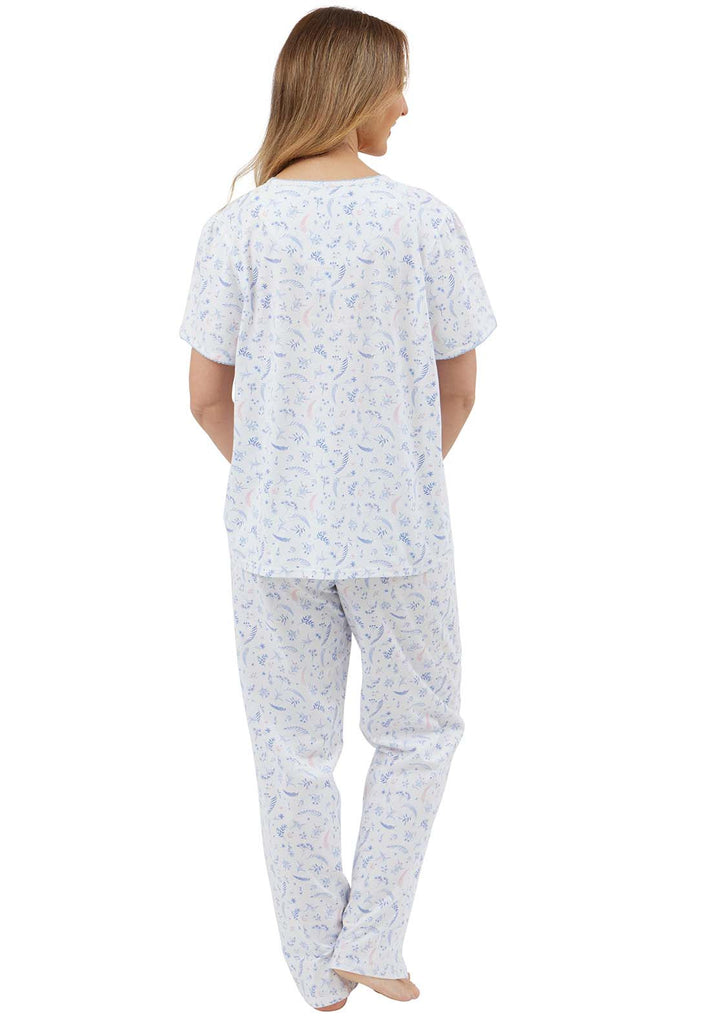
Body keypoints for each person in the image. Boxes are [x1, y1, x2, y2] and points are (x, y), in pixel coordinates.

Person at [178, 6, 497, 1012]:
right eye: (397, 84)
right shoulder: (424, 221)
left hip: (270, 536)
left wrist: (279, 475)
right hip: (401, 531)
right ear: (356, 87)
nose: (406, 106)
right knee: (420, 731)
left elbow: (205, 397)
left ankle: (318, 973)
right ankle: (372, 939)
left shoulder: (236, 228)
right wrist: (394, 473)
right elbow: (459, 389)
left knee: (290, 752)